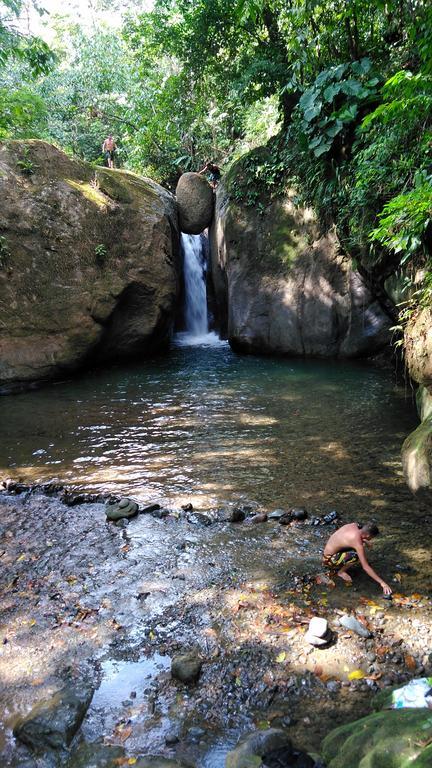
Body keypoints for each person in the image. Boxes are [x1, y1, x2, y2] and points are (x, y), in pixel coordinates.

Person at [322, 521, 392, 595]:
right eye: (371, 537)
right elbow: (365, 566)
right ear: (367, 535)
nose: (371, 539)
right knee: (356, 556)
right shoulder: (357, 542)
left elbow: (355, 534)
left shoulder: (354, 525)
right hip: (328, 560)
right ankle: (341, 572)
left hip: (328, 552)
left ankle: (340, 565)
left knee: (358, 548)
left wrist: (364, 540)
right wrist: (382, 583)